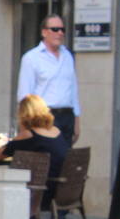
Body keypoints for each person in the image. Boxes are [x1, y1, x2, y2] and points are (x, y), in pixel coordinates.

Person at [0, 93, 71, 219]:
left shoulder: (28, 134)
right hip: (60, 191)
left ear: (24, 114)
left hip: (38, 193)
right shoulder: (56, 131)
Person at [17, 14, 79, 146]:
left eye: (63, 29)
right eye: (55, 29)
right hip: (44, 116)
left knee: (64, 161)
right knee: (45, 160)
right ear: (44, 32)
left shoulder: (67, 56)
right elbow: (24, 95)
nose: (60, 33)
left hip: (67, 116)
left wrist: (77, 120)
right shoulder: (31, 58)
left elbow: (73, 89)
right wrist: (24, 128)